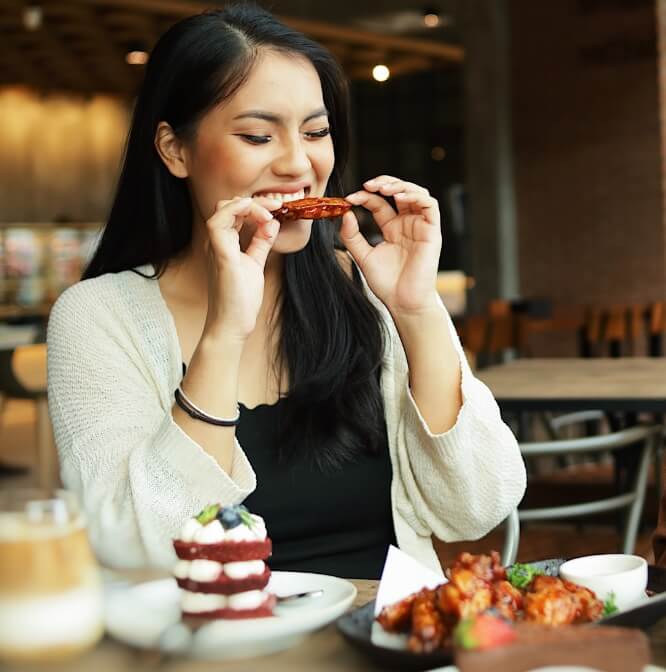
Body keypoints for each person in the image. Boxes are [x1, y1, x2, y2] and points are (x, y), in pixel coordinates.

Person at [47, 4, 526, 578]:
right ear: (176, 150)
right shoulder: (97, 317)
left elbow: (477, 508)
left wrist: (414, 311)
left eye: (316, 131)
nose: (300, 163)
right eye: (257, 135)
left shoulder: (371, 296)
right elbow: (132, 547)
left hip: (384, 642)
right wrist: (225, 331)